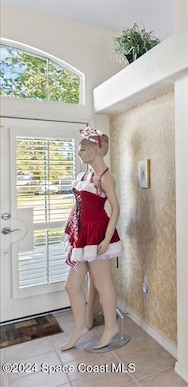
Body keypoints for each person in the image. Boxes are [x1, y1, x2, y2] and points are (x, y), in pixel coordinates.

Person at [61, 127, 123, 351]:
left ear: (97, 151)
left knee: (102, 282)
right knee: (71, 285)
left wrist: (107, 238)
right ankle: (80, 327)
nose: (79, 152)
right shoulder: (83, 176)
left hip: (97, 234)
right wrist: (70, 227)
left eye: (84, 148)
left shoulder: (106, 178)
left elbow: (116, 208)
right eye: (80, 148)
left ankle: (111, 327)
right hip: (82, 234)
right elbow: (77, 205)